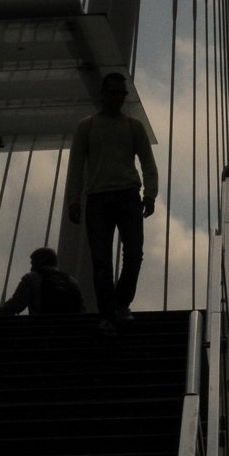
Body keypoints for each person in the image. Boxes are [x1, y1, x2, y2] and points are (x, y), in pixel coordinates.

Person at [64, 71, 157, 333]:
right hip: (98, 199)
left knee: (134, 255)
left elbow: (148, 164)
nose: (118, 97)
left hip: (128, 196)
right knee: (102, 261)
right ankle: (110, 311)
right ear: (103, 94)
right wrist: (74, 200)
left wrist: (150, 193)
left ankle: (119, 304)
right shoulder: (87, 127)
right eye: (113, 92)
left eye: (121, 93)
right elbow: (76, 168)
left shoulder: (133, 127)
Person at [0, 246, 83, 317]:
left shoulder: (31, 279)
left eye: (33, 264)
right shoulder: (72, 282)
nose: (31, 268)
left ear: (39, 263)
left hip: (41, 332)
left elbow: (15, 305)